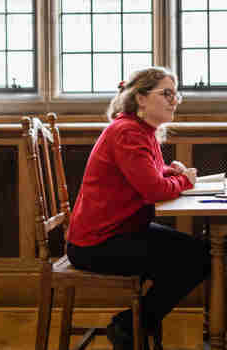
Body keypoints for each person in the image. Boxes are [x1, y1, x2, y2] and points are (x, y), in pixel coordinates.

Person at [65, 67, 211, 349]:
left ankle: (136, 323)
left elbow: (146, 174)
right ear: (141, 98)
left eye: (176, 94)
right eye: (166, 93)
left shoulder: (139, 130)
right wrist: (183, 180)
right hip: (97, 244)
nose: (174, 101)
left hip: (118, 232)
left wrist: (170, 172)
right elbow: (153, 190)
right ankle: (131, 325)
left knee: (197, 255)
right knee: (196, 259)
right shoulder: (128, 133)